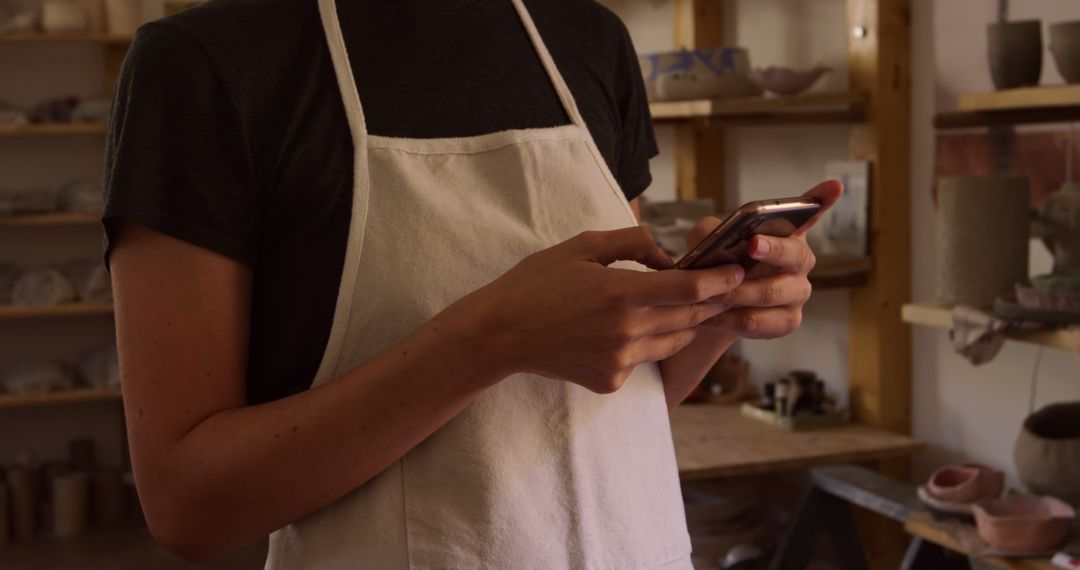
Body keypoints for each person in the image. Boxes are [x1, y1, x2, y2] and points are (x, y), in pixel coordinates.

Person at [104, 0, 842, 567]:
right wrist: (491, 340)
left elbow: (611, 392)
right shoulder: (206, 64)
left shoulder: (587, 40)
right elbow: (188, 505)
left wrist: (716, 308)